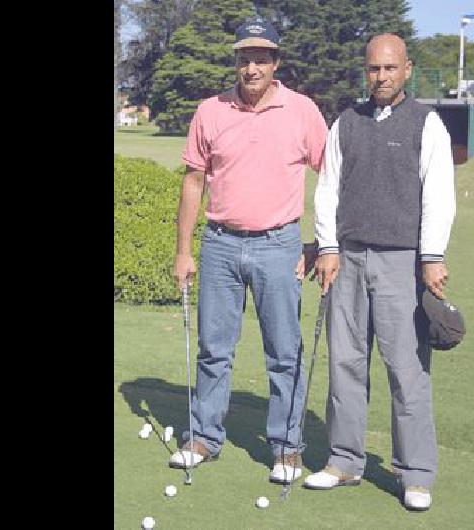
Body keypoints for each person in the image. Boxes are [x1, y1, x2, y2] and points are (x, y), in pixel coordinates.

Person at [170, 18, 328, 486]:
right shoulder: (210, 111)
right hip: (219, 244)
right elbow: (194, 183)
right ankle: (203, 438)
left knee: (284, 352)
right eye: (244, 58)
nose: (252, 66)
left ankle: (286, 448)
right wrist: (184, 251)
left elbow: (330, 177)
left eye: (261, 58)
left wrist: (321, 240)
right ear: (235, 62)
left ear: (275, 63)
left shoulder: (302, 110)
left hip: (279, 244)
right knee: (213, 350)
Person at [304, 33, 456, 511]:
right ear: (365, 70)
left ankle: (415, 473)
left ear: (407, 69)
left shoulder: (426, 124)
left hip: (401, 262)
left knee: (407, 371)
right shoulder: (346, 122)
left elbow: (439, 195)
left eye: (390, 68)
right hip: (346, 259)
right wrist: (327, 246)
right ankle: (344, 461)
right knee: (345, 364)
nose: (382, 76)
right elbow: (327, 189)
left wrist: (431, 256)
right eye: (374, 69)